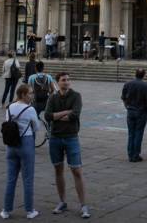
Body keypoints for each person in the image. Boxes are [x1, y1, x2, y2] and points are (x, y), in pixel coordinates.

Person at [44, 72, 90, 218]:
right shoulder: (53, 97)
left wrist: (57, 116)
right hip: (55, 138)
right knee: (58, 170)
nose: (67, 82)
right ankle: (62, 201)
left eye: (68, 80)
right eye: (63, 80)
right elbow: (47, 116)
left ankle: (83, 205)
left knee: (77, 170)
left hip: (71, 137)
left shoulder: (76, 96)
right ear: (57, 82)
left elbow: (75, 114)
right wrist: (65, 113)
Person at [0, 83, 40, 220]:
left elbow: (7, 121)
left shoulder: (10, 107)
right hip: (26, 142)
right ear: (23, 94)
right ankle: (29, 210)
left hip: (11, 144)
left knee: (11, 179)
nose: (32, 95)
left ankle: (6, 210)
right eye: (30, 93)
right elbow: (36, 127)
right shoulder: (30, 109)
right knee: (28, 179)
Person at [121, 68, 147, 162]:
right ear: (144, 75)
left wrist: (126, 106)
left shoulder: (127, 84)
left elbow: (123, 97)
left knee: (131, 133)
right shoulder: (145, 85)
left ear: (135, 74)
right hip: (141, 111)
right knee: (138, 133)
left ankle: (130, 154)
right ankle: (136, 155)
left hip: (130, 110)